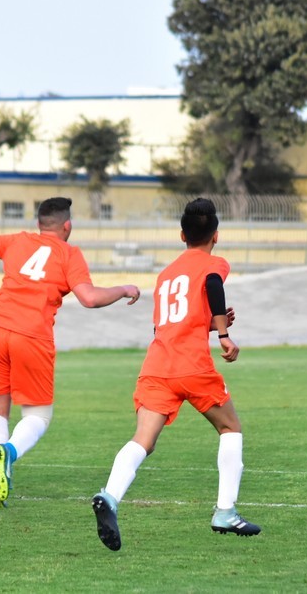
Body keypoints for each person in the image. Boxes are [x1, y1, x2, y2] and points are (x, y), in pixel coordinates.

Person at [0, 196, 141, 508]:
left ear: (38, 223)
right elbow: (89, 298)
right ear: (67, 226)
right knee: (38, 414)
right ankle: (8, 453)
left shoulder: (16, 241)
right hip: (32, 336)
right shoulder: (69, 254)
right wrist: (123, 289)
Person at [90, 198, 259, 551]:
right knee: (230, 428)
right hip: (192, 365)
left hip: (157, 365)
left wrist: (210, 324)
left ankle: (110, 496)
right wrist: (223, 334)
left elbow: (167, 326)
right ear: (216, 236)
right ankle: (225, 512)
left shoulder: (165, 275)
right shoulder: (214, 263)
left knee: (143, 440)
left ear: (182, 235)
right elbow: (213, 284)